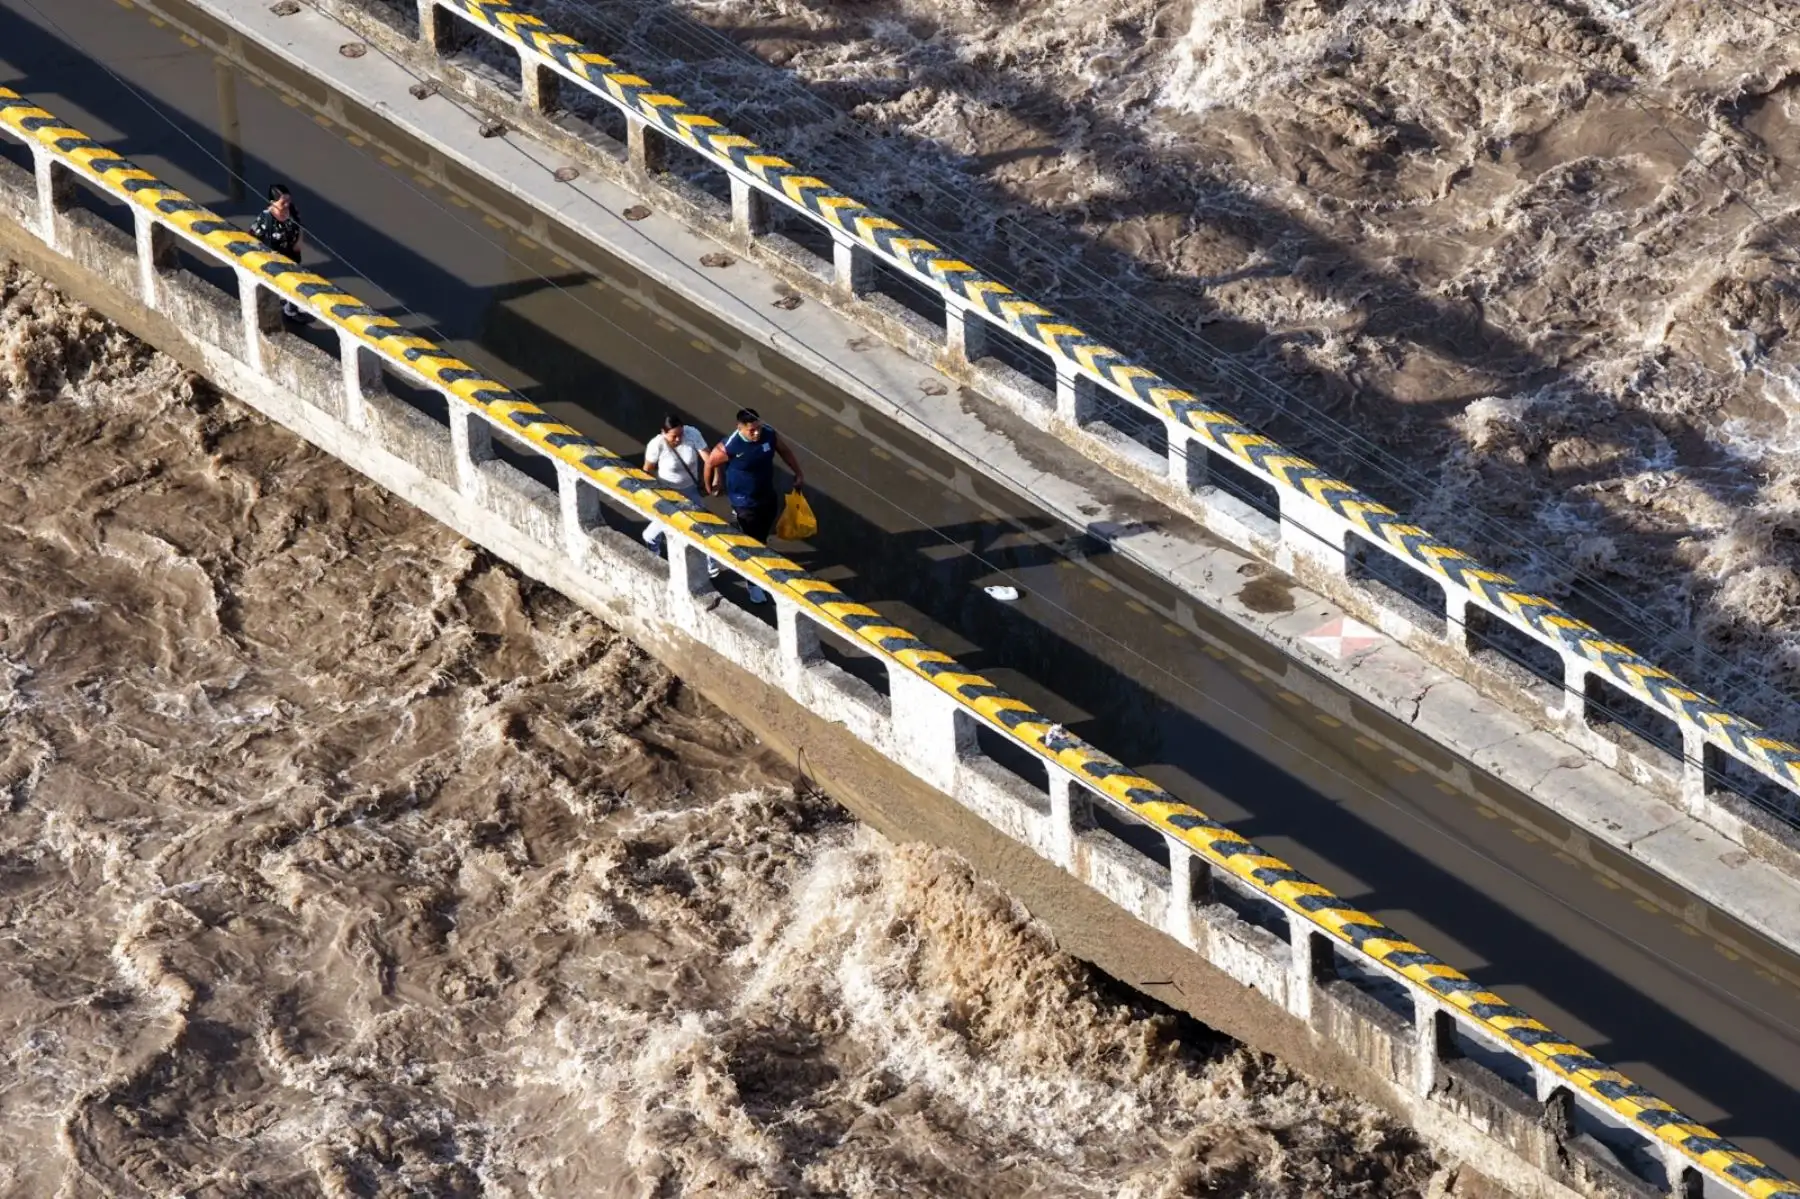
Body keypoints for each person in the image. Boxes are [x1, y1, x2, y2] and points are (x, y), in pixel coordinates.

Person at [705, 407, 804, 604]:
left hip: (767, 496)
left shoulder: (768, 434)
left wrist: (798, 472)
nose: (756, 433)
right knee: (753, 543)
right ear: (740, 428)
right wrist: (710, 484)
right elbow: (710, 462)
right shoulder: (730, 445)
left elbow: (784, 450)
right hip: (744, 502)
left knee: (760, 536)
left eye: (758, 428)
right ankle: (753, 583)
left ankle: (719, 546)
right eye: (752, 430)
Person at [641, 413, 717, 578]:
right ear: (663, 432)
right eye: (674, 436)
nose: (678, 439)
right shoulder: (656, 445)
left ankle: (711, 562)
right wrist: (653, 494)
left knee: (704, 528)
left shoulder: (692, 434)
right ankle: (656, 557)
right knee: (649, 536)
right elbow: (647, 470)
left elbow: (708, 458)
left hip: (690, 490)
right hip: (668, 495)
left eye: (680, 435)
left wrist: (712, 479)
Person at [249, 183, 305, 321]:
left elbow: (300, 225)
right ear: (272, 203)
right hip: (273, 260)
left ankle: (291, 310)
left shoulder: (292, 210)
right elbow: (251, 238)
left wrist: (300, 241)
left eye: (288, 201)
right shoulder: (265, 219)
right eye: (283, 202)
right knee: (271, 287)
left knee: (295, 283)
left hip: (292, 255)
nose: (286, 205)